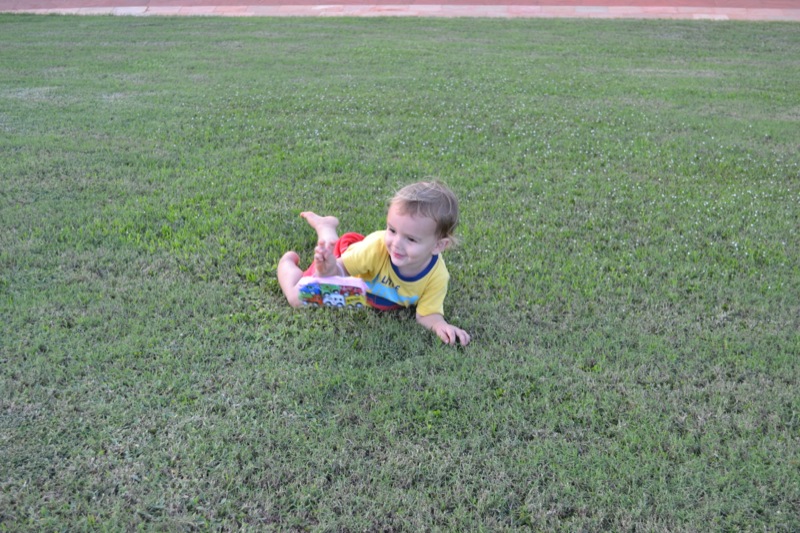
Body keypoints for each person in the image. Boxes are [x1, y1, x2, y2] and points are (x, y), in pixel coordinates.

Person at [277, 181, 471, 346]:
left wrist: (440, 325)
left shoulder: (437, 276)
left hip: (362, 292)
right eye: (392, 230)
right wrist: (328, 270)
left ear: (438, 245)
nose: (396, 244)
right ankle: (293, 258)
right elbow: (341, 270)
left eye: (411, 239)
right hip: (350, 272)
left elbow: (427, 315)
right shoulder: (376, 248)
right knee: (298, 297)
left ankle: (326, 226)